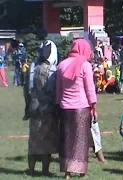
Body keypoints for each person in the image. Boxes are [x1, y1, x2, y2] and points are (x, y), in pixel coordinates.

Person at [56, 39, 97, 179]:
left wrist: (58, 105)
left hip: (65, 108)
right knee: (81, 141)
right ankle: (80, 172)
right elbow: (90, 89)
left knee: (67, 140)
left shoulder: (61, 65)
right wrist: (94, 107)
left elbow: (58, 90)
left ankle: (67, 173)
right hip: (81, 108)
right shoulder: (85, 65)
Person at [27, 40, 59, 176]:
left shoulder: (32, 67)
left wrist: (28, 106)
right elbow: (53, 90)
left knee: (33, 140)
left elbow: (27, 89)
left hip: (34, 108)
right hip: (48, 109)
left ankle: (31, 169)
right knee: (47, 140)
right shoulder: (52, 70)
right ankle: (45, 170)